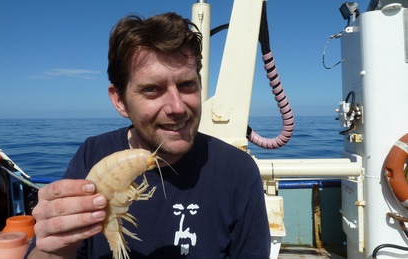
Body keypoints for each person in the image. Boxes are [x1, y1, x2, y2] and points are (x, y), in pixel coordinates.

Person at [26, 12, 270, 258]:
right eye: (152, 89)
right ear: (120, 100)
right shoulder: (92, 154)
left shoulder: (238, 171)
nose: (177, 107)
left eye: (187, 84)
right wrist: (53, 250)